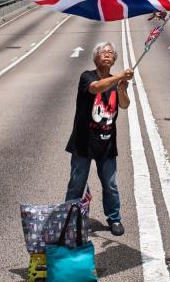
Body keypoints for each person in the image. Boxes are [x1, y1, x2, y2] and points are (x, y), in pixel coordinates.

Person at [65, 41, 132, 236]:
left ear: (114, 59)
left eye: (111, 53)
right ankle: (70, 218)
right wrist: (120, 75)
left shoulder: (115, 82)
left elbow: (125, 105)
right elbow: (95, 89)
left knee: (110, 185)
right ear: (96, 58)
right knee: (76, 183)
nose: (107, 54)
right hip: (84, 142)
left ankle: (114, 218)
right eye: (103, 52)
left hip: (107, 143)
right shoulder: (87, 77)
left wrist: (121, 88)